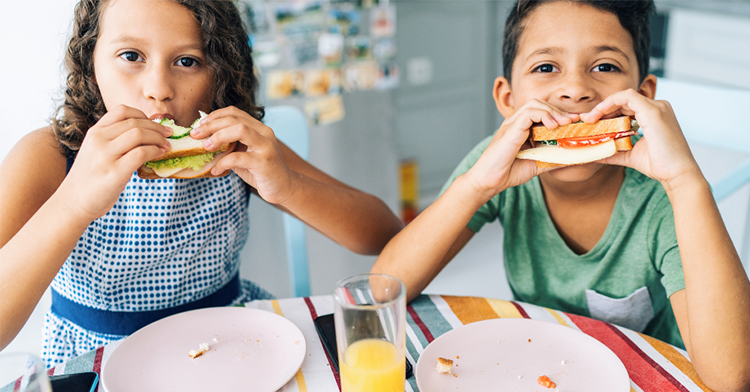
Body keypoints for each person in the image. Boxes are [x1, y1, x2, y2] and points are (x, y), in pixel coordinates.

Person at [371, 0, 750, 390]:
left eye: (605, 66)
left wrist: (685, 181)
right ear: (508, 100)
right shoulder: (494, 166)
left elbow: (731, 376)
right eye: (546, 67)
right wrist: (476, 186)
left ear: (643, 97)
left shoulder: (664, 198)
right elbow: (382, 289)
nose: (575, 90)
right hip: (539, 371)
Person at [0, 0, 403, 367]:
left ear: (220, 72)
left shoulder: (235, 147)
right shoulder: (52, 156)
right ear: (91, 62)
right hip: (95, 360)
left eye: (188, 61)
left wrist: (287, 186)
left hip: (231, 347)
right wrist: (74, 203)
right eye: (131, 56)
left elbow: (381, 235)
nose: (158, 89)